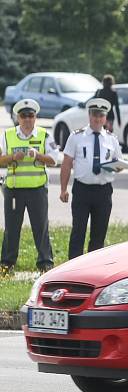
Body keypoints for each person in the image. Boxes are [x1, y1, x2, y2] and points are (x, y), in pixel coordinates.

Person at [59, 98, 123, 259]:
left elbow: (120, 163)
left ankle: (93, 267)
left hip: (103, 191)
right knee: (78, 231)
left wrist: (116, 166)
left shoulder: (111, 139)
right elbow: (66, 163)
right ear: (89, 115)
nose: (97, 118)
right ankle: (73, 267)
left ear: (105, 118)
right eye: (95, 114)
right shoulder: (76, 136)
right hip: (82, 189)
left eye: (101, 115)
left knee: (99, 233)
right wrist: (63, 189)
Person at [0, 99, 59, 274]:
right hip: (14, 190)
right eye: (23, 116)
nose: (27, 119)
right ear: (18, 117)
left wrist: (38, 155)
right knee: (12, 227)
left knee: (41, 226)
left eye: (31, 116)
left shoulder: (44, 135)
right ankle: (7, 264)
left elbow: (54, 160)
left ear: (35, 117)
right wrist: (12, 158)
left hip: (37, 189)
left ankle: (45, 263)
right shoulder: (7, 135)